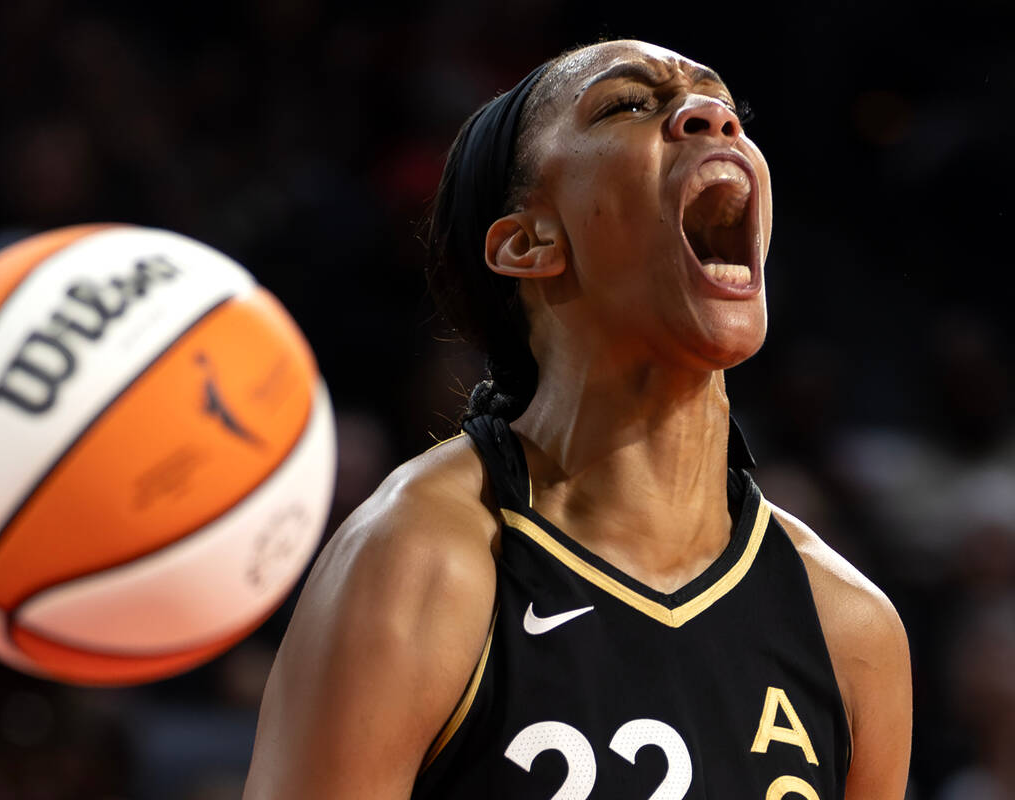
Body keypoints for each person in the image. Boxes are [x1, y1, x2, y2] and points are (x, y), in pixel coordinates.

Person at [242, 39, 911, 799]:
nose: (712, 118)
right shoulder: (423, 561)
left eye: (727, 109)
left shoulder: (847, 626)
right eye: (629, 104)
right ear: (530, 242)